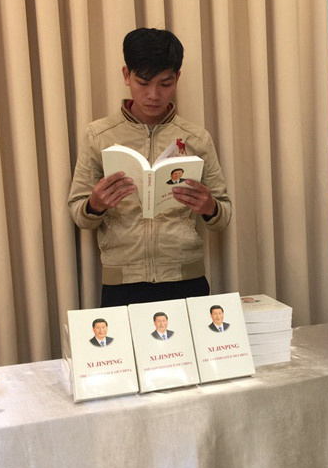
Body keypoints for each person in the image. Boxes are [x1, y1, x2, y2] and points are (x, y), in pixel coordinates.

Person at [68, 28, 232, 306]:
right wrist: (95, 203)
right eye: (143, 83)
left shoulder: (196, 137)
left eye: (165, 83)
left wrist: (209, 207)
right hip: (122, 284)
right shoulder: (98, 135)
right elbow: (79, 213)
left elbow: (223, 215)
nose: (154, 94)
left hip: (186, 279)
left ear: (177, 78)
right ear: (126, 75)